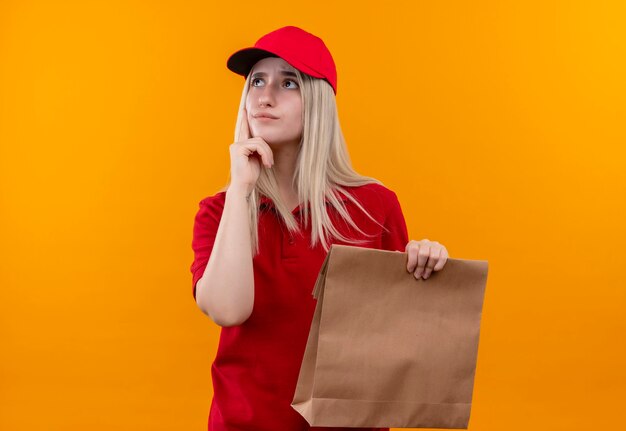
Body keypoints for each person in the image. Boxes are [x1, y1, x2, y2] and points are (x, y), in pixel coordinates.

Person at [190, 25, 449, 431]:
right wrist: (241, 185)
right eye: (257, 80)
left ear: (318, 101)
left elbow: (398, 338)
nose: (265, 95)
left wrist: (426, 267)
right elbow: (227, 309)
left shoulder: (374, 205)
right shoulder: (218, 211)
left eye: (287, 82)